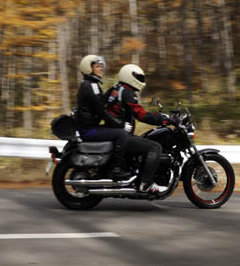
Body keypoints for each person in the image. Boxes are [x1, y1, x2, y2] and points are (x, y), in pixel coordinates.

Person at [104, 63, 173, 194]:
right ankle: (146, 184)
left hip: (111, 133)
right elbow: (141, 115)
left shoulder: (114, 89)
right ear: (130, 77)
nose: (141, 81)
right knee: (155, 147)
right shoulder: (127, 92)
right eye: (139, 78)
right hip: (121, 135)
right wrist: (162, 119)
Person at [73, 54, 131, 180]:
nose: (101, 69)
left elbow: (99, 103)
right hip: (89, 130)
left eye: (101, 66)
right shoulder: (90, 85)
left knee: (115, 131)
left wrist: (111, 91)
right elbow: (101, 112)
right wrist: (120, 124)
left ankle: (108, 166)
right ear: (89, 68)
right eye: (97, 66)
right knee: (122, 134)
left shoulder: (90, 84)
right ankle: (116, 169)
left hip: (89, 127)